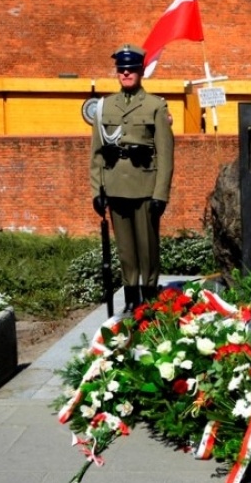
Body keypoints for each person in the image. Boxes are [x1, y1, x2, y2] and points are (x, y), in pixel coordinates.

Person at [89, 44, 175, 312]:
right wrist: (97, 190)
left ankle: (148, 297)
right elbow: (96, 153)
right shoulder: (104, 107)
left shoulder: (155, 106)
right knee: (125, 249)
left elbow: (165, 154)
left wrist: (161, 193)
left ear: (140, 72)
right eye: (121, 69)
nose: (125, 73)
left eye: (131, 69)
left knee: (147, 248)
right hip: (115, 186)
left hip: (145, 187)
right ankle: (129, 298)